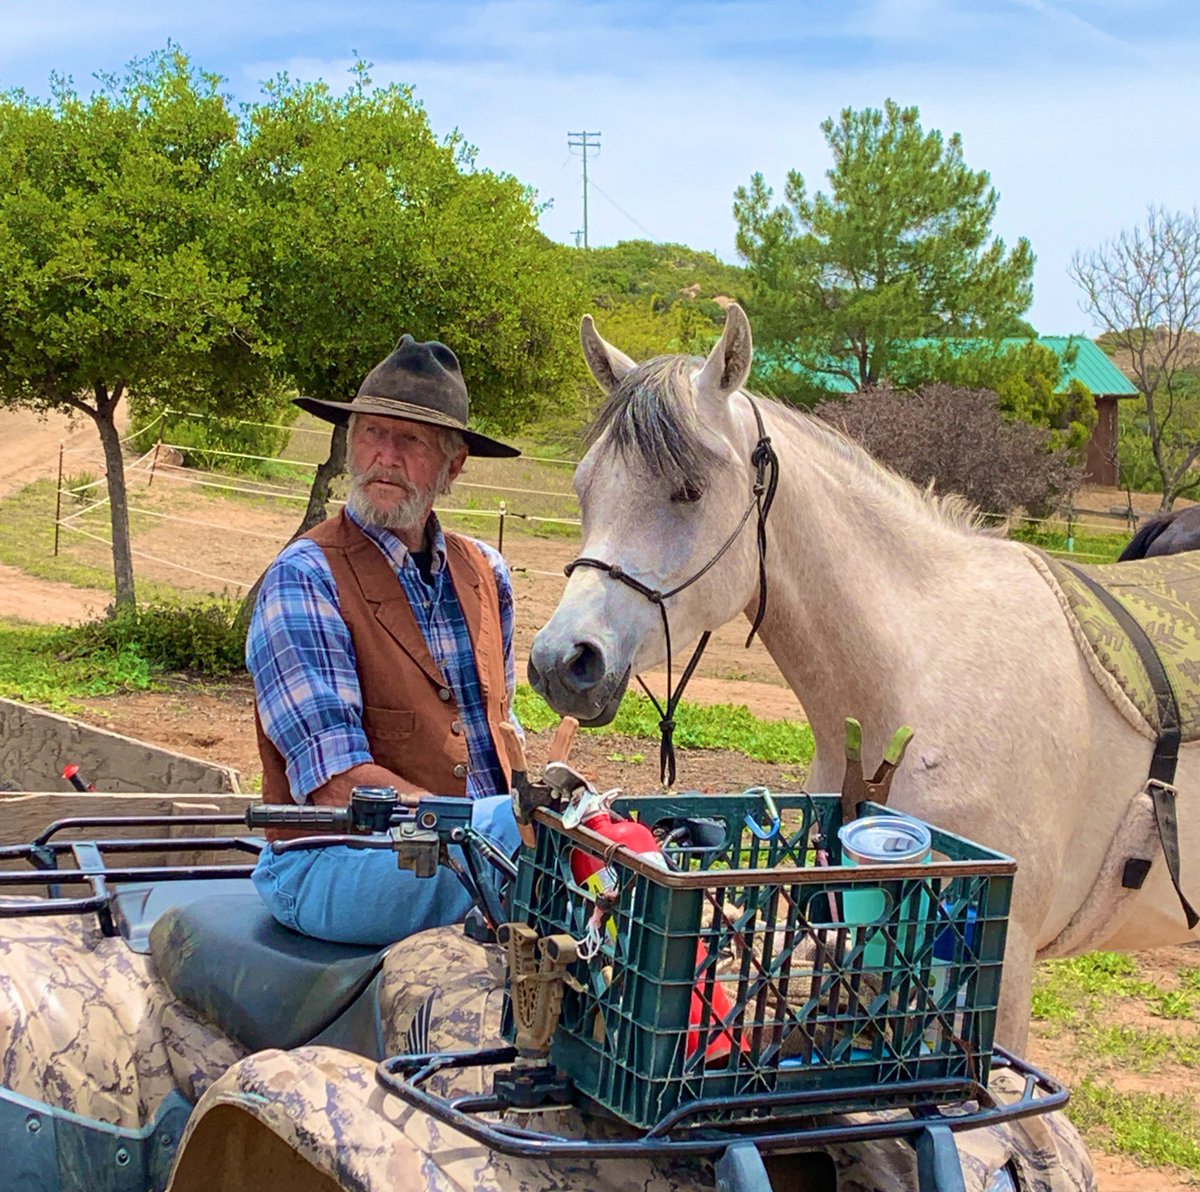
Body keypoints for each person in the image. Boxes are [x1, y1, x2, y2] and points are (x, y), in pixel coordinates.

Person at [247, 335, 524, 946]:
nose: (385, 457)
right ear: (351, 445)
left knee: (603, 839)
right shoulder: (305, 577)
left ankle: (711, 1028)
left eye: (412, 441)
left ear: (453, 467)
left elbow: (502, 739)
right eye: (372, 433)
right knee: (535, 843)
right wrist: (490, 829)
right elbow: (334, 781)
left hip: (468, 854)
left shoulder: (486, 575)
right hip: (333, 862)